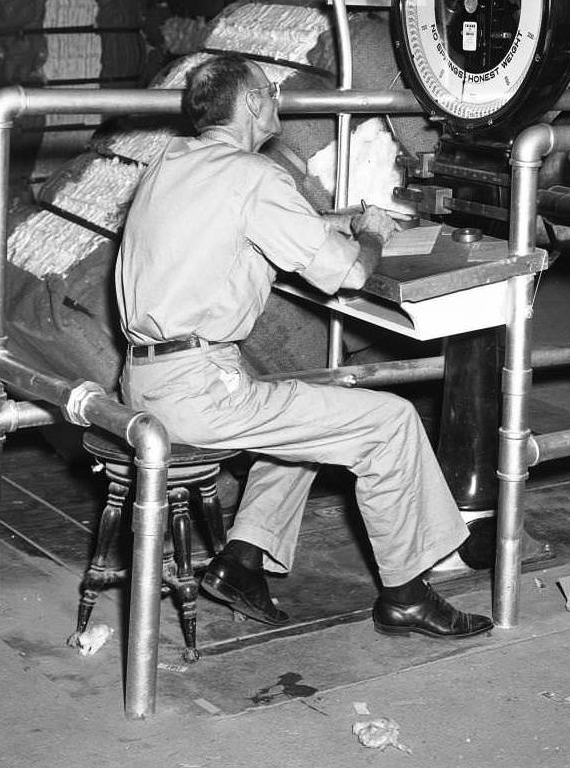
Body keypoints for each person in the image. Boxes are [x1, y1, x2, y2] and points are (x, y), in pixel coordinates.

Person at [114, 53, 492, 640]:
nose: (278, 102)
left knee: (310, 405)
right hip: (199, 392)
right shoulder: (254, 177)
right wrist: (370, 232)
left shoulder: (174, 160)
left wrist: (330, 223)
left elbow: (237, 226)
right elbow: (351, 275)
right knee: (389, 423)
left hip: (144, 380)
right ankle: (408, 595)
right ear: (251, 105)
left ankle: (242, 561)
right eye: (270, 91)